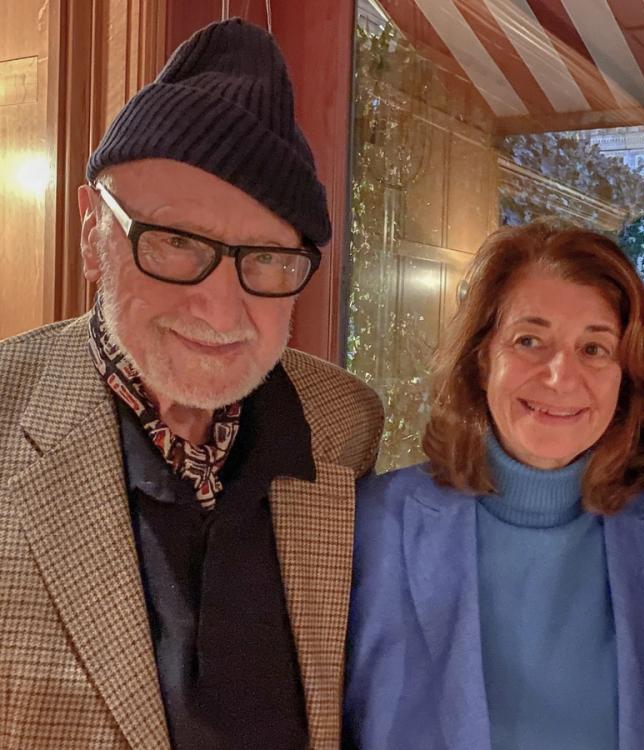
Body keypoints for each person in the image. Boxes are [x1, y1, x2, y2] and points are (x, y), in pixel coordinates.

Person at [0, 19, 382, 749]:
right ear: (92, 231)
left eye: (267, 258)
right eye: (176, 242)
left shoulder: (343, 425)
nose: (219, 306)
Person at [343, 222, 644, 750]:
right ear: (484, 359)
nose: (560, 376)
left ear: (626, 376)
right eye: (529, 340)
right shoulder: (372, 522)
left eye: (594, 349)